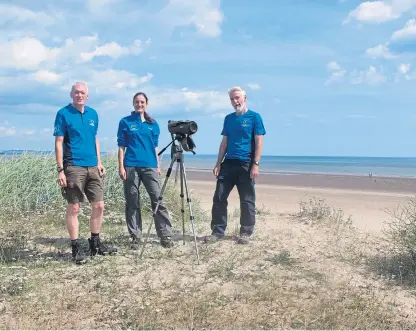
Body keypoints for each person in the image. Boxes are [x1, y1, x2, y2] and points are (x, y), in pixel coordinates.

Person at [53, 81, 117, 264]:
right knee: (74, 207)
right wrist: (60, 170)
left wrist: (99, 161)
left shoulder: (93, 114)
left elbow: (94, 138)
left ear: (87, 96)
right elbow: (59, 142)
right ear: (71, 94)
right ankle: (76, 248)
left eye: (82, 93)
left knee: (99, 205)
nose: (79, 95)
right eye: (76, 93)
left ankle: (95, 243)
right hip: (73, 166)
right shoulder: (63, 114)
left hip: (92, 166)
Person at [205, 86, 266, 244]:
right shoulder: (229, 118)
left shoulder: (254, 117)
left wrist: (256, 164)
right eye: (232, 99)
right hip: (228, 163)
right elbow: (224, 143)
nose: (235, 101)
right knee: (219, 197)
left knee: (246, 199)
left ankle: (246, 232)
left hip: (246, 163)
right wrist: (218, 163)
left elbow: (259, 141)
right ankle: (217, 231)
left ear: (244, 98)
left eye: (237, 98)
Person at [117, 92, 174, 249]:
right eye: (137, 102)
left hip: (150, 166)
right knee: (132, 201)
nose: (139, 104)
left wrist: (157, 166)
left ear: (146, 104)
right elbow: (121, 147)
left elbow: (155, 147)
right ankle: (135, 236)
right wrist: (121, 166)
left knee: (157, 199)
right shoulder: (125, 122)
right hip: (131, 165)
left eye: (142, 102)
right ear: (133, 103)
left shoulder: (153, 124)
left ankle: (165, 234)